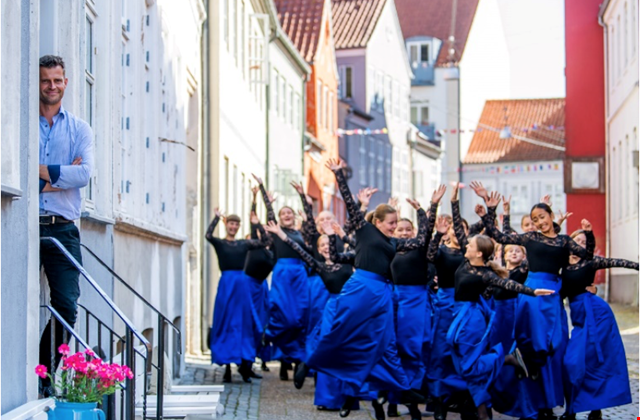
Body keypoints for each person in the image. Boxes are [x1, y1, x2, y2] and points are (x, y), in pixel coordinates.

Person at [303, 158, 429, 413]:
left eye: (396, 224)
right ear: (379, 222)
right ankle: (312, 363)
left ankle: (398, 387)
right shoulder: (364, 230)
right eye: (391, 223)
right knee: (343, 330)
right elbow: (349, 203)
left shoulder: (395, 243)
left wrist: (424, 211)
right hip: (360, 287)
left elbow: (423, 240)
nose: (394, 228)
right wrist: (339, 174)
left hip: (382, 293)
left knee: (385, 341)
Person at [471, 183, 594, 420]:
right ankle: (541, 405)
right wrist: (491, 209)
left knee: (557, 347)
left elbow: (587, 256)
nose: (539, 222)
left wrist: (588, 233)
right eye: (535, 219)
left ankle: (551, 399)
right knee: (537, 348)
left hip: (553, 297)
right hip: (532, 296)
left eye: (542, 217)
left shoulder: (564, 240)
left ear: (550, 215)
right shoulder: (530, 237)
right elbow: (499, 236)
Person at [449, 182, 554, 420]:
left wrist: (533, 292)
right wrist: (455, 200)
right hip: (459, 314)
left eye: (471, 244)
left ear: (479, 253)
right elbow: (458, 227)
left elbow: (510, 284)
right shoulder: (467, 261)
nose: (467, 243)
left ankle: (506, 358)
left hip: (471, 318)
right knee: (463, 362)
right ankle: (483, 409)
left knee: (469, 365)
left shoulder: (484, 273)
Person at [38, 55, 95, 397]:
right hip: (27, 222)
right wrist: (61, 173)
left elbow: (84, 174)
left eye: (57, 80)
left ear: (66, 82)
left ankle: (42, 375)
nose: (52, 86)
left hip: (62, 227)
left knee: (67, 306)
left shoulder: (79, 128)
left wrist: (40, 172)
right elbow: (15, 169)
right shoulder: (23, 121)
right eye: (46, 80)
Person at [263, 220, 358, 412]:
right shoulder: (318, 266)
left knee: (345, 351)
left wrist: (339, 232)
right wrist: (280, 233)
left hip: (349, 308)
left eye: (327, 244)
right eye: (321, 245)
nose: (325, 248)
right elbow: (296, 248)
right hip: (332, 309)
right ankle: (328, 398)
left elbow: (363, 247)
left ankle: (346, 397)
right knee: (327, 348)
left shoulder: (348, 259)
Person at [560, 230, 638, 420]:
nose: (578, 244)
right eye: (576, 240)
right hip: (579, 320)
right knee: (572, 363)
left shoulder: (591, 262)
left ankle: (596, 409)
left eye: (583, 241)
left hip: (598, 315)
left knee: (598, 363)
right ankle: (571, 410)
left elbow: (618, 262)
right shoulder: (561, 266)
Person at [386, 186, 444, 420]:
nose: (404, 232)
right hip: (393, 300)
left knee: (415, 348)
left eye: (408, 229)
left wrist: (427, 207)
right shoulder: (389, 247)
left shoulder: (419, 248)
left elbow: (427, 233)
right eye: (400, 228)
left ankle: (412, 401)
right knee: (393, 349)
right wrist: (391, 212)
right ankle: (392, 400)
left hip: (416, 301)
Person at [252, 174, 310, 379]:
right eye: (283, 213)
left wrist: (302, 196)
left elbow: (310, 224)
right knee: (282, 316)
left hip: (299, 275)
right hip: (283, 275)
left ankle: (293, 358)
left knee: (299, 317)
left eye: (289, 213)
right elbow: (269, 214)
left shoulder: (301, 233)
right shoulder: (275, 232)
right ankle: (283, 357)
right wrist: (261, 187)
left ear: (294, 216)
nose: (286, 215)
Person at [206, 208, 269, 382]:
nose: (233, 227)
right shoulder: (220, 243)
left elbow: (266, 241)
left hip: (241, 285)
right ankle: (226, 365)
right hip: (226, 285)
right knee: (225, 321)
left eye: (236, 224)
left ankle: (244, 363)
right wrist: (216, 218)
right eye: (231, 223)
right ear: (227, 225)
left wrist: (256, 224)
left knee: (243, 322)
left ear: (239, 226)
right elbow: (208, 236)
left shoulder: (244, 244)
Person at [244, 187, 275, 371]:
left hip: (262, 287)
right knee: (250, 321)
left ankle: (262, 358)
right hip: (248, 286)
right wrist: (255, 197)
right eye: (263, 230)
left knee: (263, 322)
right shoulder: (256, 245)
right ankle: (247, 361)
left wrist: (269, 204)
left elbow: (272, 222)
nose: (266, 233)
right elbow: (253, 220)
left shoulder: (274, 251)